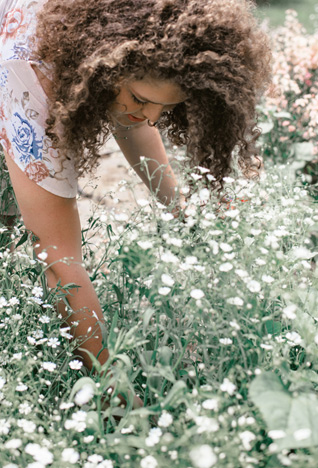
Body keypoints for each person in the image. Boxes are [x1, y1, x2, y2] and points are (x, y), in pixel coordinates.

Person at [0, 0, 271, 412]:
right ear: (104, 67)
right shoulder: (31, 73)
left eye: (168, 107)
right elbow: (59, 259)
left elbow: (136, 125)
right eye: (143, 99)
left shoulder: (113, 50)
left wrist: (182, 213)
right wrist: (110, 380)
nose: (154, 118)